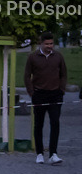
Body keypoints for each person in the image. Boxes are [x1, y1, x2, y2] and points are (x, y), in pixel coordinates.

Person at [24, 32, 67, 165]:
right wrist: (32, 93)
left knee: (55, 123)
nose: (50, 46)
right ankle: (39, 153)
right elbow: (27, 76)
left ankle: (53, 153)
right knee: (39, 124)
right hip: (39, 94)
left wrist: (61, 90)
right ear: (41, 43)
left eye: (51, 44)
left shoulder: (58, 57)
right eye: (47, 44)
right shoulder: (33, 57)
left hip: (55, 94)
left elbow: (63, 74)